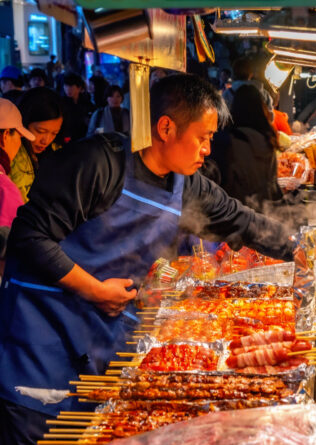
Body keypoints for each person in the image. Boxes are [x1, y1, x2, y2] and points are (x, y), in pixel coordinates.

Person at [0, 74, 296, 444]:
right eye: (202, 138)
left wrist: (299, 248)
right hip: (40, 350)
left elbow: (242, 220)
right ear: (166, 127)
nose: (208, 149)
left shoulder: (186, 183)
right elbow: (29, 236)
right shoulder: (97, 162)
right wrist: (93, 289)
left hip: (99, 349)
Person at [211, 84, 283, 205]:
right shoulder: (268, 139)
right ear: (261, 108)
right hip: (265, 210)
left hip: (239, 209)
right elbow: (273, 185)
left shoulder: (230, 140)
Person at [10, 87, 64, 202]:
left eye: (54, 133)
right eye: (40, 131)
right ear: (23, 123)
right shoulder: (10, 156)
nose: (46, 140)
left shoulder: (58, 152)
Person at [0, 99, 34, 259]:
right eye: (20, 137)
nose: (20, 144)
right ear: (6, 135)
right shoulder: (4, 189)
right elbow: (12, 250)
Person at [60, 72, 95, 142]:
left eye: (71, 86)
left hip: (84, 137)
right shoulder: (61, 103)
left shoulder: (86, 103)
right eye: (66, 86)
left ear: (79, 88)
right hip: (67, 138)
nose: (68, 89)